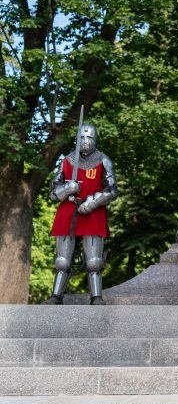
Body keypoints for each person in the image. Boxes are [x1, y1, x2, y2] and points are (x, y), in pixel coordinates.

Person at [46, 123, 119, 305]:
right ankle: (56, 296)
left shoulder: (103, 160)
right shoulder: (67, 160)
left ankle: (96, 297)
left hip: (93, 212)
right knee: (62, 261)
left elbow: (112, 190)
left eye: (89, 137)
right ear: (76, 139)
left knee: (94, 261)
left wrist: (93, 201)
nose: (85, 141)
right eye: (82, 137)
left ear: (96, 139)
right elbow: (53, 192)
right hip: (68, 210)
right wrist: (66, 188)